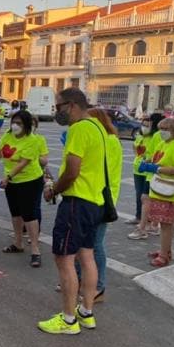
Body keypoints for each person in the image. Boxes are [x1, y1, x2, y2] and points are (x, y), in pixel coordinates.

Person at [38, 88, 105, 335]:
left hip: (76, 202)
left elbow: (72, 171)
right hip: (94, 202)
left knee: (64, 258)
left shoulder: (77, 129)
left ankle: (67, 320)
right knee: (87, 257)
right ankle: (86, 313)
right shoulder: (97, 127)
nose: (57, 112)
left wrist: (53, 190)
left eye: (59, 107)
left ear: (73, 105)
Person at [0, 110, 44, 267]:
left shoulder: (33, 140)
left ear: (27, 125)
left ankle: (35, 250)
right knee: (16, 213)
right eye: (14, 122)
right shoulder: (7, 136)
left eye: (19, 123)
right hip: (12, 182)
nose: (15, 126)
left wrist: (8, 177)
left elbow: (23, 163)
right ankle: (18, 243)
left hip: (30, 181)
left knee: (29, 215)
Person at [74, 108, 123, 303]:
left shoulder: (108, 141)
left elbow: (92, 168)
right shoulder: (106, 140)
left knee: (95, 244)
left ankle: (99, 287)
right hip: (93, 195)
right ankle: (78, 280)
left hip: (100, 198)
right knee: (82, 243)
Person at [138, 118, 174, 267]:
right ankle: (165, 250)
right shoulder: (162, 144)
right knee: (164, 224)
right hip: (159, 189)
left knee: (166, 224)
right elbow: (157, 161)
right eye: (161, 128)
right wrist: (148, 164)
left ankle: (164, 255)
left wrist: (157, 169)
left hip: (171, 192)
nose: (162, 132)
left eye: (166, 129)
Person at [128, 113, 164, 239]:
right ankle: (148, 224)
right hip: (144, 169)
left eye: (148, 121)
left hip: (152, 172)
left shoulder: (158, 136)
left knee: (147, 199)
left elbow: (157, 155)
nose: (145, 123)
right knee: (144, 197)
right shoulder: (143, 135)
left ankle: (146, 226)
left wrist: (149, 161)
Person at [127, 116, 151, 225]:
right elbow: (135, 148)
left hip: (148, 171)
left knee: (146, 196)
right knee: (138, 194)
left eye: (148, 125)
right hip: (137, 169)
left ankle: (147, 218)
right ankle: (138, 216)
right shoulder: (139, 136)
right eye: (144, 125)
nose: (145, 127)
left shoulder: (154, 137)